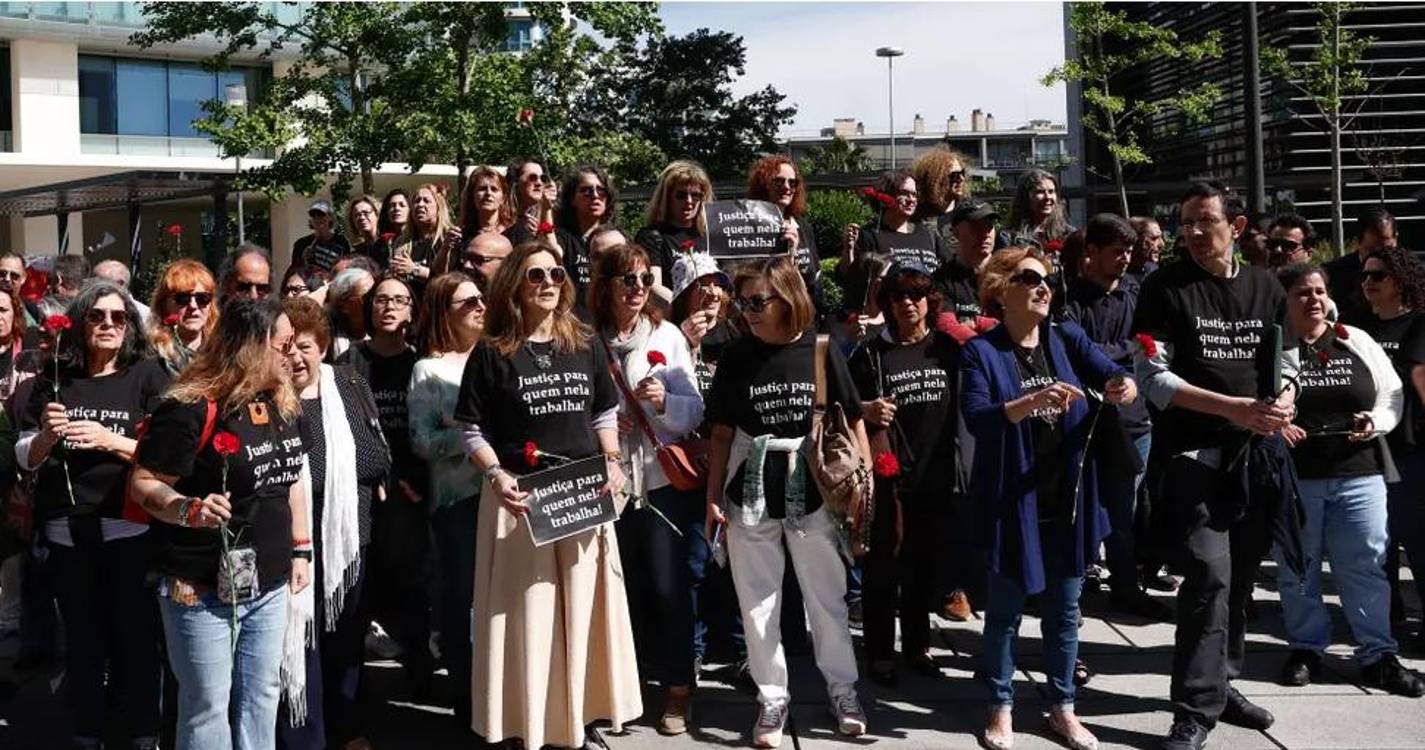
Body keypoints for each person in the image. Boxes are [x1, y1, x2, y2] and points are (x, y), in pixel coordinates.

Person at [453, 241, 638, 749]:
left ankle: (579, 722)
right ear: (515, 283)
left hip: (581, 493)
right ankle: (528, 726)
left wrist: (614, 462)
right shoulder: (492, 351)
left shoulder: (584, 341)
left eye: (556, 273)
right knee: (529, 619)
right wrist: (495, 475)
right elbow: (470, 428)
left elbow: (603, 412)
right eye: (535, 275)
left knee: (582, 614)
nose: (549, 283)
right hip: (521, 502)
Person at [1133, 182, 1296, 750]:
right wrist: (1237, 409)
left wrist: (1286, 400)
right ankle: (1195, 709)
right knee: (1208, 575)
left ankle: (1223, 682)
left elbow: (1288, 359)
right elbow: (1154, 381)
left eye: (1205, 221)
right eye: (1185, 223)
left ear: (1238, 227)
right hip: (1194, 457)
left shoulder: (1266, 286)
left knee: (1241, 581)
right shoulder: (1163, 289)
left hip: (1257, 459)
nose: (1194, 233)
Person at [703, 255, 870, 748]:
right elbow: (720, 433)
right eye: (744, 301)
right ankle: (772, 697)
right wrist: (712, 498)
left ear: (788, 297)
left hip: (815, 487)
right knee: (757, 604)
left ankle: (843, 690)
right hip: (750, 488)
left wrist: (864, 486)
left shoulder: (820, 349)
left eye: (759, 301)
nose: (748, 311)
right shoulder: (736, 356)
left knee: (827, 599)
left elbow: (854, 418)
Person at [129, 297, 309, 750]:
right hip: (200, 586)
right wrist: (190, 509)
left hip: (266, 582)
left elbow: (291, 480)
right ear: (249, 349)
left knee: (262, 696)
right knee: (207, 706)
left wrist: (301, 548)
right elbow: (145, 483)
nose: (293, 355)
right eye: (283, 345)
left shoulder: (283, 403)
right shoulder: (191, 407)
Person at [16, 281, 170, 750]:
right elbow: (24, 454)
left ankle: (142, 731)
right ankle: (89, 731)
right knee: (83, 641)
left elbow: (169, 450)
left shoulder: (148, 375)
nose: (108, 325)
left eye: (118, 317)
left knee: (135, 637)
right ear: (81, 323)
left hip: (128, 528)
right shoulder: (58, 376)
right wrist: (45, 438)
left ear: (131, 326)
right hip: (69, 532)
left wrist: (110, 441)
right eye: (97, 317)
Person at [1273, 263, 1424, 697]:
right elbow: (1266, 397)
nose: (1314, 299)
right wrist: (1277, 425)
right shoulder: (1277, 346)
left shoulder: (1354, 338)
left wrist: (1375, 420)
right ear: (1285, 300)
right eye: (1303, 292)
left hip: (1361, 473)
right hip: (1301, 477)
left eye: (1320, 290)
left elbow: (1393, 392)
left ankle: (1378, 654)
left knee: (1367, 565)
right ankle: (1306, 647)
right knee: (1298, 568)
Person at [589, 243, 704, 735]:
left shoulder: (667, 335)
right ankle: (627, 688)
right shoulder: (587, 339)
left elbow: (694, 410)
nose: (637, 289)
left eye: (643, 279)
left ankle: (678, 690)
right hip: (609, 484)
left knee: (667, 586)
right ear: (607, 287)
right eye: (626, 280)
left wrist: (663, 404)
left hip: (658, 480)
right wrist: (604, 426)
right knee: (621, 589)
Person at [275, 297, 390, 750]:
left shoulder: (348, 383)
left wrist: (325, 475)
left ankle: (347, 729)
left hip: (348, 539)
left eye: (306, 346)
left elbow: (374, 454)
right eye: (287, 348)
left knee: (344, 644)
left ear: (322, 347)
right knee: (301, 641)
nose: (296, 358)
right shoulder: (270, 396)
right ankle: (305, 735)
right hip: (292, 542)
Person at [847, 261, 963, 686]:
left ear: (929, 300)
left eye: (916, 295)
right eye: (897, 296)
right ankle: (879, 652)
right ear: (887, 304)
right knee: (884, 567)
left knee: (924, 567)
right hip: (888, 478)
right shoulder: (871, 354)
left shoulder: (946, 350)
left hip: (936, 474)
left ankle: (917, 647)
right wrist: (866, 409)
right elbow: (839, 407)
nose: (907, 303)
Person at [1062, 214, 1168, 620]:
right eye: (1116, 251)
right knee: (1088, 507)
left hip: (1134, 420)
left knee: (1126, 510)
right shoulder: (1071, 299)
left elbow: (1148, 348)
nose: (1124, 259)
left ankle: (1126, 587)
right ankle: (1080, 580)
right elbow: (1076, 349)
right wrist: (1121, 352)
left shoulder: (1137, 295)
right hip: (1087, 420)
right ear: (1091, 253)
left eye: (1128, 251)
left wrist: (1110, 352)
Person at [335, 276, 434, 695]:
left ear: (412, 310)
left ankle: (419, 670)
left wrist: (421, 483)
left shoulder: (422, 364)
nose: (389, 307)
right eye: (381, 300)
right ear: (368, 308)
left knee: (412, 584)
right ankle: (353, 682)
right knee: (361, 586)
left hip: (409, 491)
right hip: (360, 491)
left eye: (400, 300)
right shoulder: (346, 365)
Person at [406, 271, 484, 732]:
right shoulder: (429, 370)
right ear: (443, 313)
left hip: (508, 498)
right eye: (466, 301)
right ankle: (468, 700)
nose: (479, 305)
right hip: (459, 505)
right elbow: (422, 441)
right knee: (462, 604)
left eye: (480, 297)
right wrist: (474, 436)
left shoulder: (499, 356)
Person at [1356, 247, 1425, 649]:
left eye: (1377, 276)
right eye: (1365, 276)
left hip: (1409, 450)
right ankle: (1386, 621)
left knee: (1416, 540)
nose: (1368, 283)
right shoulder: (1356, 327)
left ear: (1399, 280)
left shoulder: (1419, 324)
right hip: (1364, 450)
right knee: (1375, 544)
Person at [844, 170, 949, 274]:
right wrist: (849, 249)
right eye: (903, 193)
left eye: (914, 194)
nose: (911, 199)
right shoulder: (869, 235)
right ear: (885, 196)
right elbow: (850, 278)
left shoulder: (929, 235)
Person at [746, 156, 820, 294]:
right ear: (763, 185)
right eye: (779, 181)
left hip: (804, 310)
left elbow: (814, 278)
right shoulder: (748, 228)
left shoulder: (803, 227)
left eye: (793, 182)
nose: (787, 187)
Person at [637, 160, 715, 289]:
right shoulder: (651, 237)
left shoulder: (712, 236)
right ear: (666, 197)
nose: (689, 201)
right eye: (681, 195)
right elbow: (654, 288)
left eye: (695, 195)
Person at [1327, 208, 1400, 324]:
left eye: (1386, 248)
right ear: (1358, 242)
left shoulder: (1412, 273)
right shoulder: (1333, 274)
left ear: (1396, 237)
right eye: (1372, 249)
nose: (1379, 255)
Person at [556, 165, 620, 300]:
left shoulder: (618, 237)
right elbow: (553, 254)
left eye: (601, 190)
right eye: (586, 190)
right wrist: (545, 211)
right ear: (572, 199)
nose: (595, 195)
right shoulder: (562, 237)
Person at [935, 199, 1000, 324]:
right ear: (955, 232)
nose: (985, 233)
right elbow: (948, 328)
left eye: (989, 226)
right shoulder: (942, 280)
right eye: (976, 227)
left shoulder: (1008, 275)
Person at [150, 259, 219, 376]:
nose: (193, 306)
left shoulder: (222, 352)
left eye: (202, 298)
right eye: (182, 298)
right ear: (164, 306)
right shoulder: (150, 355)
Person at [393, 183, 461, 289]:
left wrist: (414, 269)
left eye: (426, 201)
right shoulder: (402, 242)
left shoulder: (449, 238)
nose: (420, 205)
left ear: (439, 207)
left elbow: (447, 279)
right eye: (416, 201)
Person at [911, 147, 973, 248]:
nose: (961, 179)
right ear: (937, 180)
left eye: (962, 173)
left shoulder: (969, 213)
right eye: (955, 175)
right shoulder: (917, 218)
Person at [1000, 169, 1074, 251]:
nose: (1048, 197)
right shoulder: (1009, 237)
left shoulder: (1069, 235)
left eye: (1051, 191)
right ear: (1025, 197)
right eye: (1040, 192)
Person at [325, 267, 374, 360]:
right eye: (366, 297)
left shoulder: (382, 332)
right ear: (345, 305)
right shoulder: (327, 334)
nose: (372, 302)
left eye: (375, 295)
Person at [293, 200, 352, 275]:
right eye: (313, 215)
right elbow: (295, 271)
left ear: (330, 217)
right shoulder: (301, 244)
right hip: (310, 285)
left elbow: (347, 268)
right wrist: (304, 259)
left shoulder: (341, 241)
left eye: (321, 214)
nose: (317, 218)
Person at [459, 166, 515, 241]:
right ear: (472, 195)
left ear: (503, 197)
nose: (488, 193)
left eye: (494, 189)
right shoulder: (461, 235)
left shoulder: (515, 233)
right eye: (482, 189)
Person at [93, 258, 154, 323]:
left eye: (100, 284)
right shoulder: (89, 310)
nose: (93, 288)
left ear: (120, 284)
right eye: (93, 283)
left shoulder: (144, 315)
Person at [372, 188, 412, 269]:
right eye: (392, 206)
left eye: (402, 205)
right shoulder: (380, 245)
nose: (396, 208)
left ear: (410, 209)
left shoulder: (419, 239)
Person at [345, 195, 382, 261]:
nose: (362, 217)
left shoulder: (389, 244)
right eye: (357, 215)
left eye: (366, 213)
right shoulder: (356, 254)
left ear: (377, 215)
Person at [1128, 216, 1164, 280]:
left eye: (1161, 237)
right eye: (1154, 238)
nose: (1161, 244)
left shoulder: (1153, 269)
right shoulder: (1118, 274)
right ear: (1136, 240)